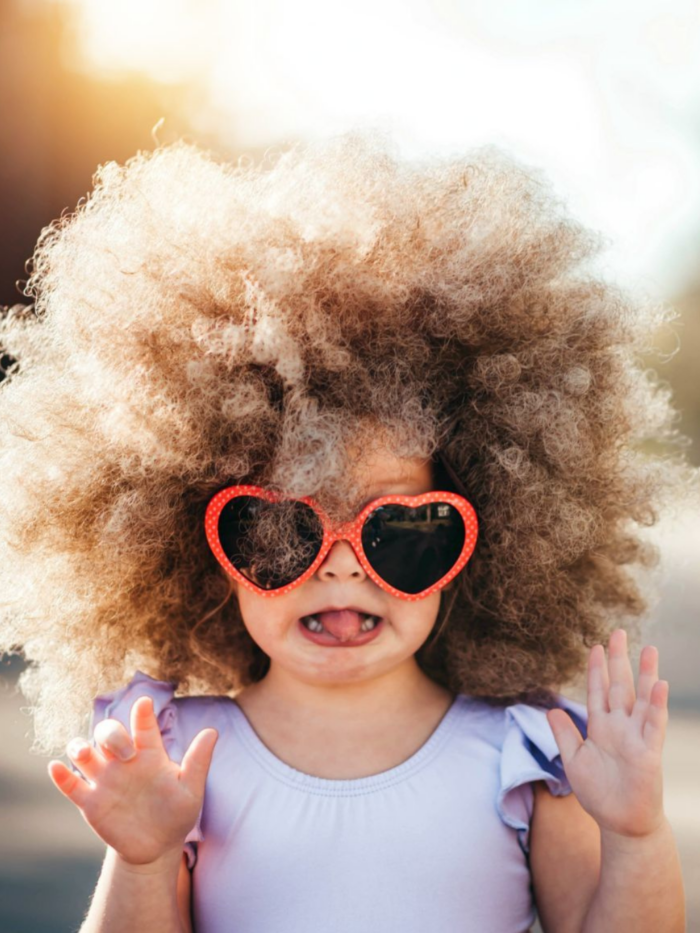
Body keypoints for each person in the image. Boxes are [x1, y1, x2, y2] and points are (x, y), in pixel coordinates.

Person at [0, 130, 695, 933]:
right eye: (280, 530)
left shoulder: (524, 756)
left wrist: (636, 835)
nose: (340, 568)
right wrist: (145, 855)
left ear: (487, 545)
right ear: (201, 550)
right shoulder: (179, 757)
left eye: (401, 530)